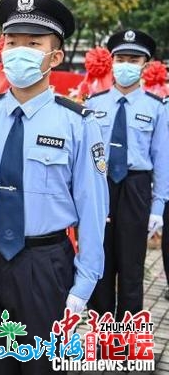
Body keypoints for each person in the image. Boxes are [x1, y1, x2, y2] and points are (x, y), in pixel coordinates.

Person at [0, 0, 109, 375]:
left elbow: (93, 208)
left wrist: (83, 284)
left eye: (33, 43)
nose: (20, 52)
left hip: (44, 265)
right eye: (13, 42)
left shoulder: (79, 123)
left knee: (43, 368)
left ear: (55, 56)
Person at [86, 30, 169, 321]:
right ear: (111, 61)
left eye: (133, 59)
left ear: (144, 65)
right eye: (120, 58)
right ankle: (101, 335)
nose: (125, 65)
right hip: (101, 185)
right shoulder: (93, 104)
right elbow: (85, 156)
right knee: (100, 264)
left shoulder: (157, 108)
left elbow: (162, 159)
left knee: (132, 267)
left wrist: (158, 207)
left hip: (136, 186)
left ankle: (127, 341)